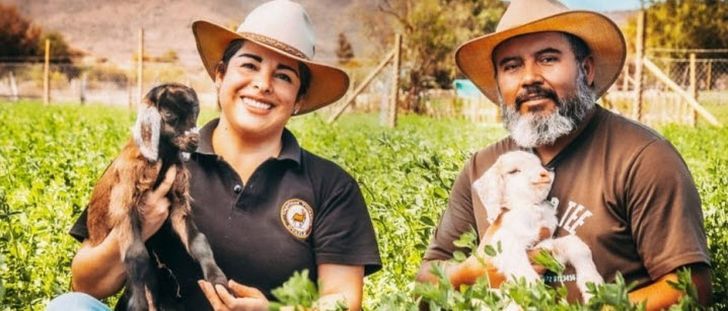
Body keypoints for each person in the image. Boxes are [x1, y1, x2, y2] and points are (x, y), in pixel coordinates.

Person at [48, 1, 381, 310]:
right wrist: (138, 226)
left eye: (283, 76)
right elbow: (85, 284)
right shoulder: (151, 161)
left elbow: (343, 301)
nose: (262, 85)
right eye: (249, 65)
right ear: (221, 74)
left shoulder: (330, 187)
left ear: (298, 99)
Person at [415, 0, 712, 309]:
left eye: (547, 59)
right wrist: (472, 271)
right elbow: (426, 280)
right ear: (499, 82)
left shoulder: (642, 158)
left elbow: (692, 288)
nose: (529, 78)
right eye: (511, 66)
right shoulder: (483, 168)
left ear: (586, 69)